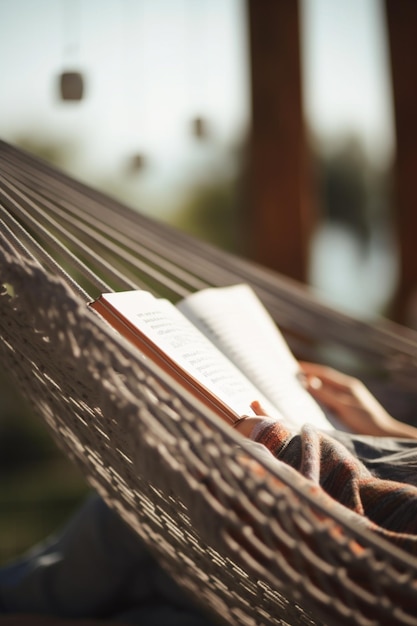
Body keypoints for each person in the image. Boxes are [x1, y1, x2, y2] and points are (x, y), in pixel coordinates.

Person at [1, 363, 417, 623]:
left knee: (145, 504)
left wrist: (276, 444)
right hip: (262, 584)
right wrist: (388, 428)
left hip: (294, 572)